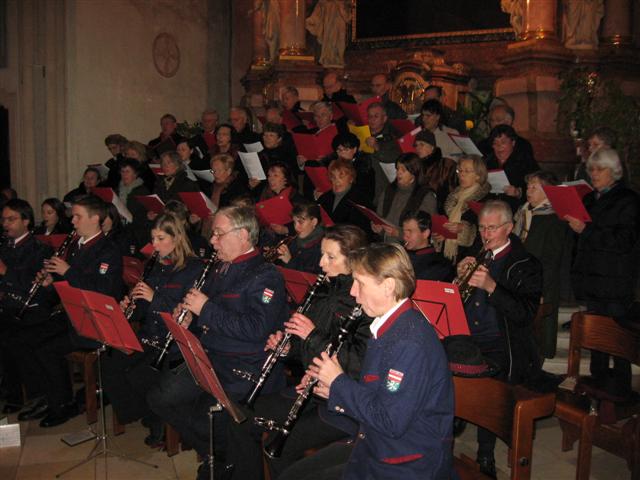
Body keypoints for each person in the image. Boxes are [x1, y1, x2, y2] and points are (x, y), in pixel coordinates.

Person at [146, 206, 288, 480]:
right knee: (159, 397)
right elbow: (210, 317)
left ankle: (222, 460)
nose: (212, 241)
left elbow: (256, 329)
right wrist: (190, 320)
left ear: (243, 235)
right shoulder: (220, 267)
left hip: (242, 368)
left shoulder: (266, 275)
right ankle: (218, 455)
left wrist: (205, 308)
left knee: (203, 420)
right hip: (210, 358)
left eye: (219, 235)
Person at [225, 224, 371, 480]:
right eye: (322, 254)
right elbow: (305, 351)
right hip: (309, 387)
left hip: (340, 403)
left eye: (331, 257)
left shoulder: (364, 302)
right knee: (240, 417)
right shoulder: (323, 289)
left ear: (353, 260)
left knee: (279, 448)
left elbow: (358, 363)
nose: (322, 263)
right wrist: (288, 349)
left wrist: (311, 335)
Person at [302, 242, 454, 479]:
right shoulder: (387, 325)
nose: (353, 292)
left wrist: (339, 382)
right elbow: (379, 395)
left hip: (404, 462)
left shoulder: (409, 342)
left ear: (388, 286)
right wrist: (335, 389)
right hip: (376, 444)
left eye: (360, 283)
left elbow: (390, 421)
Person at [19, 195, 124, 427]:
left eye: (77, 216)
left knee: (47, 350)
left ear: (95, 218)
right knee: (26, 338)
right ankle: (47, 396)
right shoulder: (77, 245)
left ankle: (62, 404)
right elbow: (68, 289)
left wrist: (67, 272)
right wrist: (50, 282)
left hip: (96, 321)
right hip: (73, 314)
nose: (73, 221)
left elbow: (102, 291)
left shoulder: (108, 249)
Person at [456, 200, 542, 477]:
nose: (485, 234)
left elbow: (524, 314)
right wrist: (459, 277)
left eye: (492, 228)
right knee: (435, 361)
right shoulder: (477, 254)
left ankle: (485, 453)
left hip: (502, 341)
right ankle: (450, 421)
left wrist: (492, 287)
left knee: (488, 384)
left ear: (508, 227)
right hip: (468, 334)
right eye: (481, 228)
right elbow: (457, 300)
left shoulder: (526, 263)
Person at [101, 214, 204, 444]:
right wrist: (130, 306)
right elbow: (143, 309)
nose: (154, 245)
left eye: (160, 238)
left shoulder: (195, 269)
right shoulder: (155, 265)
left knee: (140, 375)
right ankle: (141, 413)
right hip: (150, 335)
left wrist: (153, 297)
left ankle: (157, 420)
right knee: (110, 359)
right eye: (152, 238)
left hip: (173, 343)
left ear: (177, 238)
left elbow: (186, 313)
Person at [567, 148, 640, 397]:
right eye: (591, 170)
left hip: (615, 281)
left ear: (614, 171)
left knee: (619, 341)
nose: (594, 174)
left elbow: (623, 241)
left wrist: (585, 230)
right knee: (595, 338)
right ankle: (596, 391)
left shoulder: (628, 200)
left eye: (600, 169)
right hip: (592, 279)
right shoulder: (590, 199)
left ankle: (621, 394)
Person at [0, 199, 53, 414]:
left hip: (31, 308)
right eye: (3, 219)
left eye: (11, 219)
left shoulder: (39, 248)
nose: (5, 224)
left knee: (14, 337)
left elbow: (31, 285)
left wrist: (4, 271)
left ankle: (36, 394)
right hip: (8, 305)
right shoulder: (5, 246)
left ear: (26, 221)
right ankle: (11, 390)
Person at [513, 171, 572, 359]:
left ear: (548, 192)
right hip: (522, 278)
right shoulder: (524, 213)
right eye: (528, 187)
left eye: (534, 188)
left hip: (541, 281)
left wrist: (541, 289)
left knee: (539, 331)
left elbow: (551, 259)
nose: (528, 191)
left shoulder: (554, 219)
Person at [434, 155, 491, 263]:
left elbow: (485, 233)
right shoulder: (452, 195)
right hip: (446, 255)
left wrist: (463, 229)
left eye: (467, 171)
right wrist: (442, 234)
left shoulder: (486, 200)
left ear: (478, 175)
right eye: (459, 170)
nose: (461, 174)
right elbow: (445, 223)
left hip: (469, 256)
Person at [374, 153, 437, 243]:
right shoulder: (389, 190)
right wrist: (377, 226)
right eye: (397, 169)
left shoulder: (426, 196)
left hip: (408, 249)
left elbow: (423, 232)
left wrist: (398, 233)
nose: (398, 172)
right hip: (385, 244)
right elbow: (379, 216)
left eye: (403, 170)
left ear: (414, 173)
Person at [485, 124, 540, 212]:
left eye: (503, 142)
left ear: (513, 143)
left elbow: (539, 188)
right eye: (495, 143)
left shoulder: (525, 161)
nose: (499, 147)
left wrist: (518, 192)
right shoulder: (487, 162)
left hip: (515, 209)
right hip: (490, 207)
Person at [317, 159, 372, 236]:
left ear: (351, 178)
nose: (336, 181)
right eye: (333, 177)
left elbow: (360, 230)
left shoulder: (360, 199)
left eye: (341, 176)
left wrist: (333, 228)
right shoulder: (324, 198)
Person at [401, 210, 454, 281]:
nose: (404, 237)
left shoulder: (438, 266)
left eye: (410, 232)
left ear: (425, 233)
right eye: (404, 232)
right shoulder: (400, 253)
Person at [364, 102, 402, 202]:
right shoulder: (364, 133)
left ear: (384, 118)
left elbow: (394, 157)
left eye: (376, 116)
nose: (372, 119)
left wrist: (377, 147)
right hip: (364, 186)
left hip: (382, 189)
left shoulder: (393, 136)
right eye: (369, 116)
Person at [414, 129, 457, 214]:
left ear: (432, 147)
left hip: (440, 211)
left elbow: (453, 194)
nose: (418, 148)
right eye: (416, 145)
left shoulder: (447, 165)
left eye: (422, 145)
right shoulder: (416, 166)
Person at [275, 201, 324, 273]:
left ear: (314, 222)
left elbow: (312, 277)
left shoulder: (322, 246)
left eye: (300, 222)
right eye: (294, 222)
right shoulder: (294, 240)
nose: (296, 227)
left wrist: (289, 261)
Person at [116, 158, 150, 248]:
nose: (124, 175)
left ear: (135, 174)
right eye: (122, 172)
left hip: (136, 233)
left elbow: (141, 215)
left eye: (127, 171)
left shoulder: (142, 191)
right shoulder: (118, 189)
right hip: (121, 229)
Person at [306, 1, 351, 68]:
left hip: (340, 27)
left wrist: (341, 8)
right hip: (329, 28)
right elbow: (317, 15)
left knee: (340, 44)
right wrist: (311, 21)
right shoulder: (324, 2)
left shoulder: (344, 2)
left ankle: (338, 59)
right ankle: (328, 59)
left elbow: (348, 18)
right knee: (330, 43)